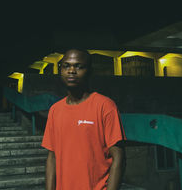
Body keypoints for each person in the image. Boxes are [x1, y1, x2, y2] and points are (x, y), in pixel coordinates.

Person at [41, 49, 127, 190]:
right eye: (66, 66)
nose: (71, 71)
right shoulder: (55, 110)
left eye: (79, 66)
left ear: (90, 71)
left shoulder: (105, 106)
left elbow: (119, 157)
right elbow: (52, 157)